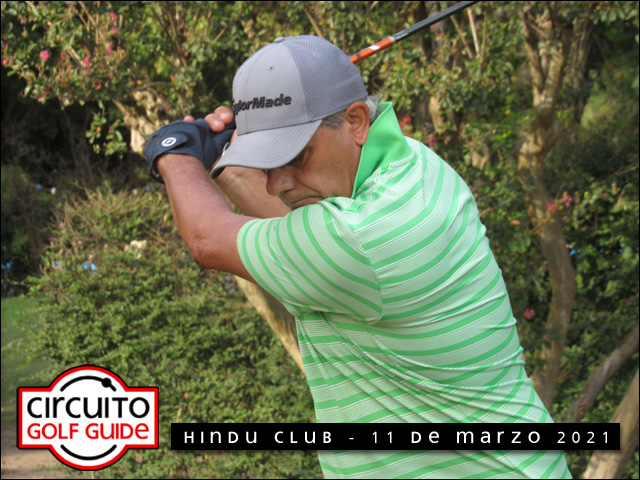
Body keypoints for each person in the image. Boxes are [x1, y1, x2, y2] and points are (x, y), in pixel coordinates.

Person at [144, 35, 570, 479]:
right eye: (267, 162)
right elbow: (301, 230)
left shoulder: (365, 236)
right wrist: (229, 160)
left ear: (356, 121)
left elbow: (207, 239)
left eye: (295, 155)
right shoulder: (411, 164)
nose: (276, 183)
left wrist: (175, 154)